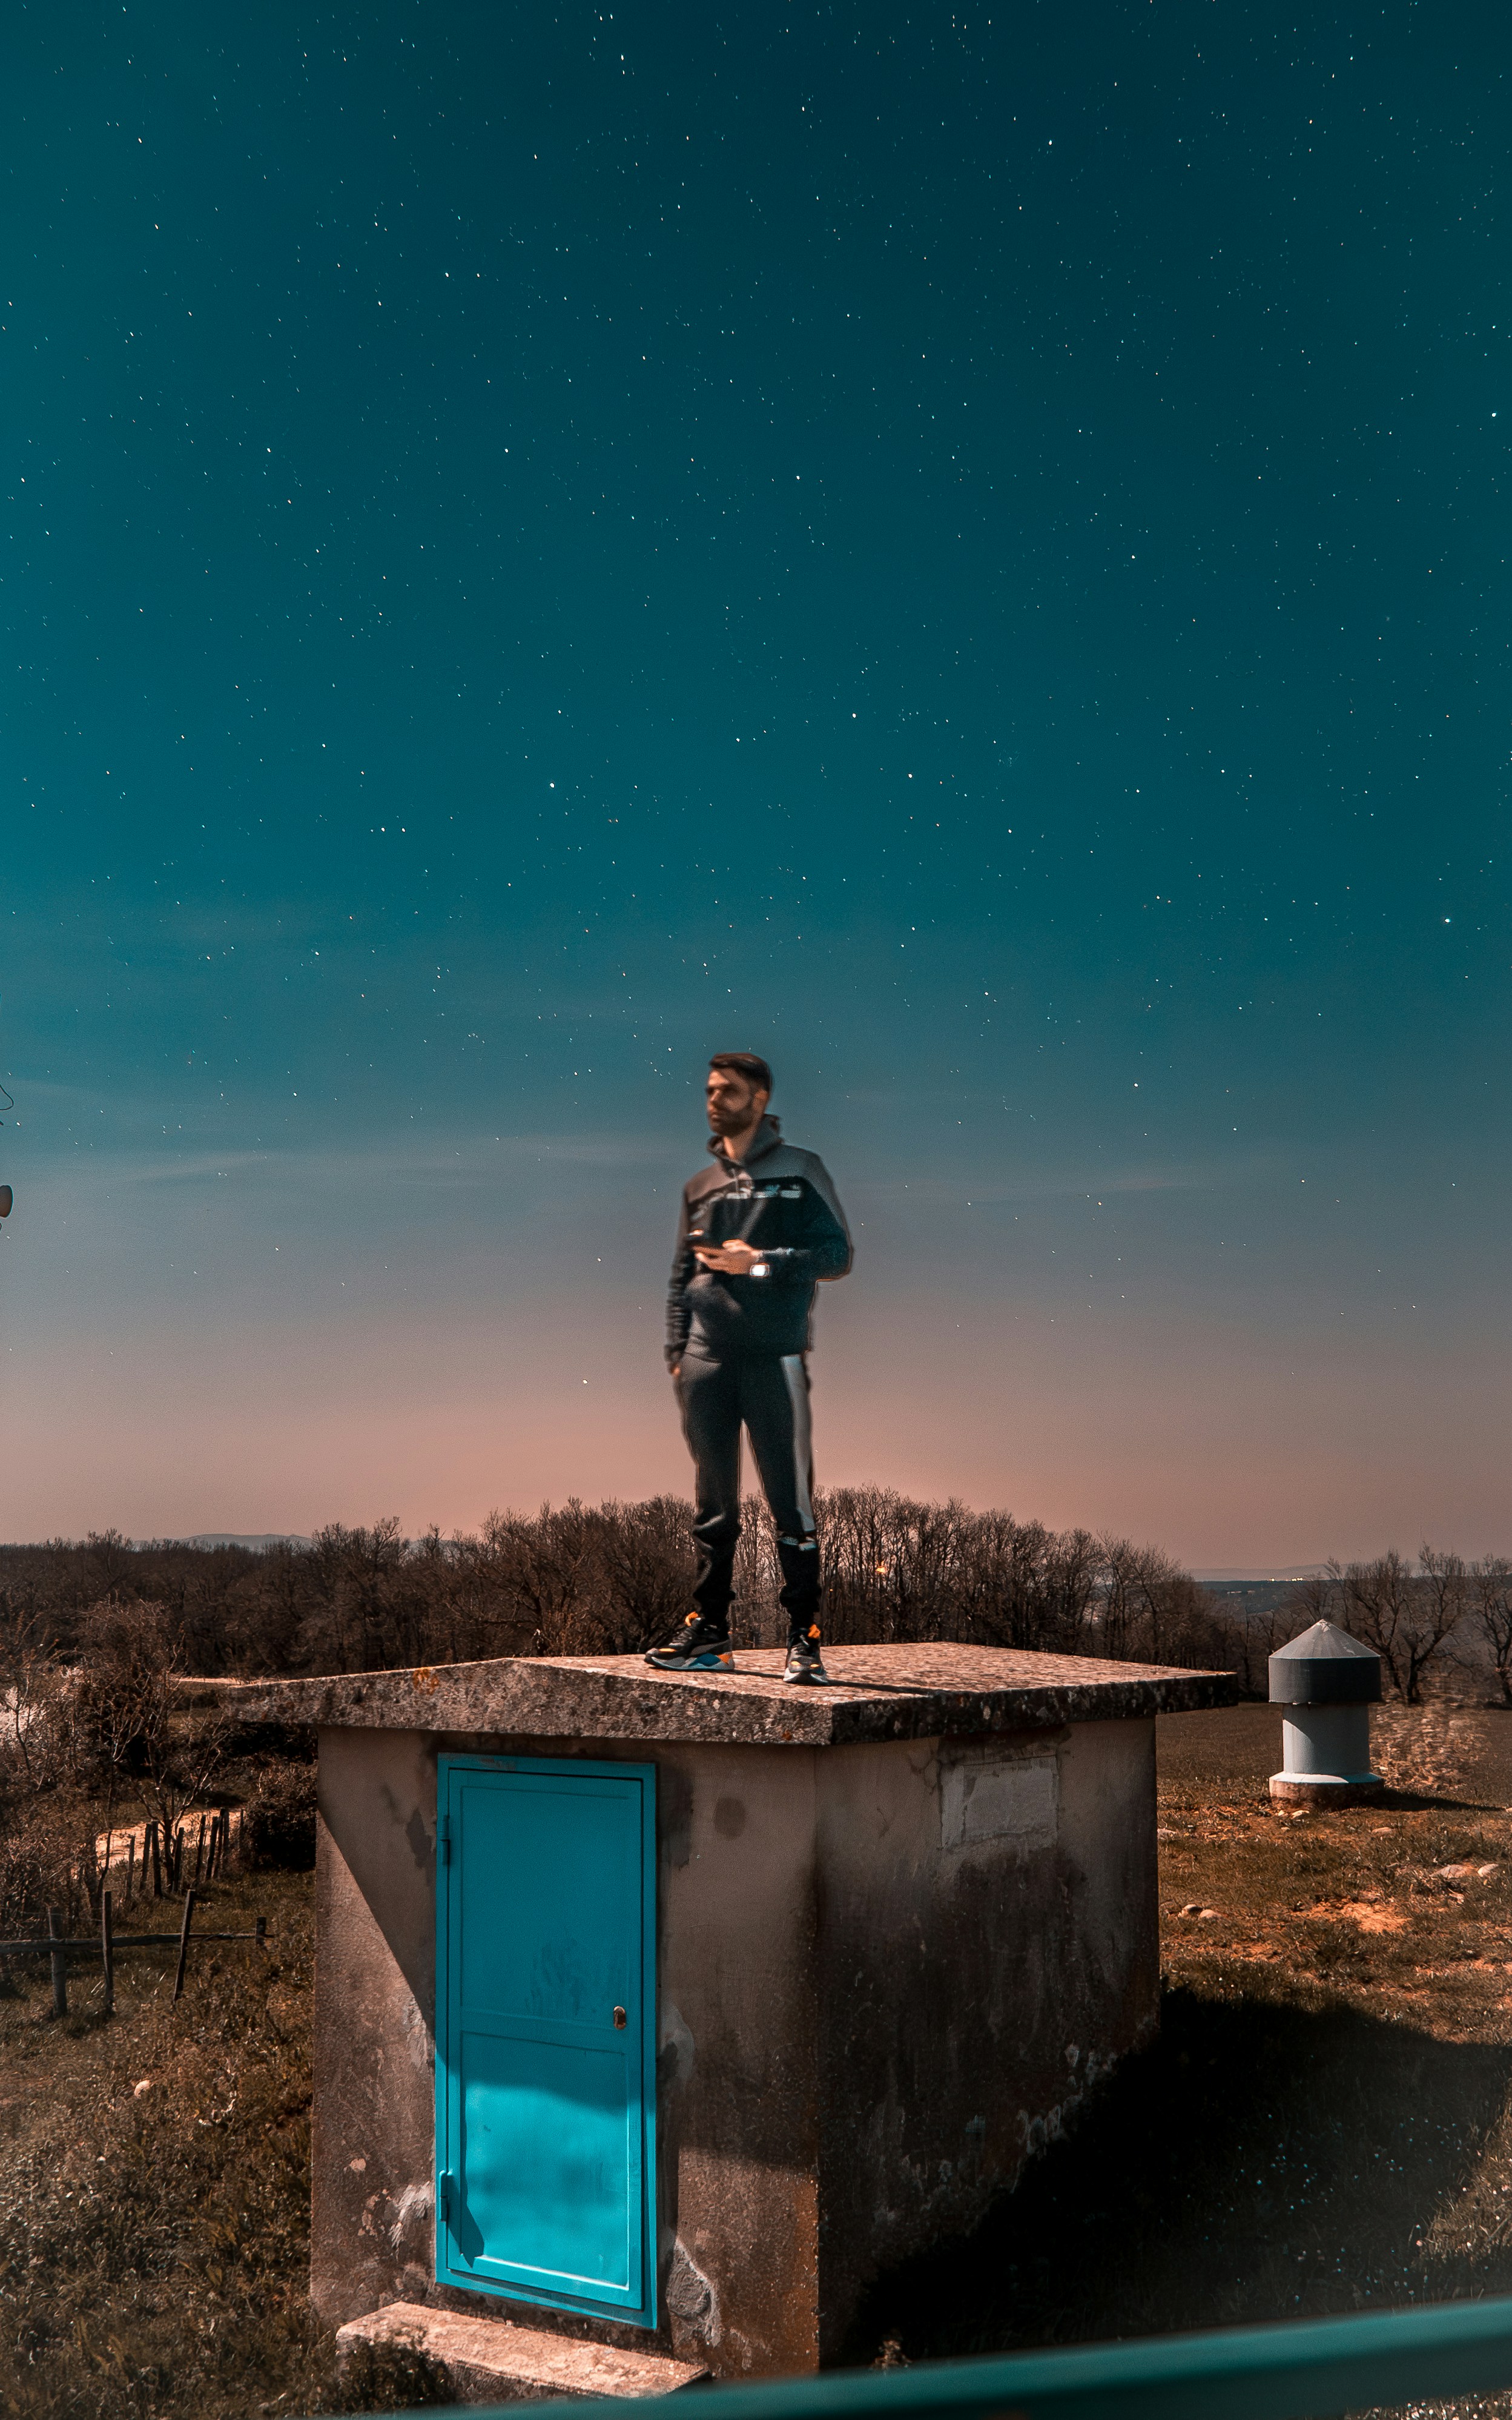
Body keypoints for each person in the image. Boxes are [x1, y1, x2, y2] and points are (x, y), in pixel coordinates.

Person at [648, 1052, 853, 1684]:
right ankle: (709, 1634)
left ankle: (804, 1638)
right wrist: (677, 1353)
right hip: (706, 1363)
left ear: (758, 1099)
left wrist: (759, 1261)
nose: (712, 1099)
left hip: (774, 1358)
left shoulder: (800, 1171)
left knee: (789, 1502)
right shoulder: (699, 1186)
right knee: (713, 1506)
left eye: (726, 1090)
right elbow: (682, 1277)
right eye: (708, 1090)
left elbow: (836, 1253)